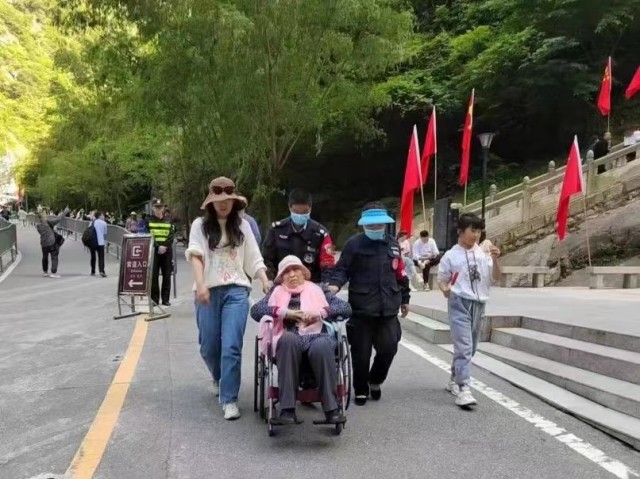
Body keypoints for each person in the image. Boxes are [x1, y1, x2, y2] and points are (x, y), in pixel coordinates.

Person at [186, 176, 271, 421]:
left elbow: (254, 257)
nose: (223, 204)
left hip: (236, 291)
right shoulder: (200, 226)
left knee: (231, 345)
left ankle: (230, 399)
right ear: (211, 202)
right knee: (209, 346)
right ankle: (218, 376)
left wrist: (264, 279)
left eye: (228, 200)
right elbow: (196, 255)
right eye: (218, 200)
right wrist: (201, 284)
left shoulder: (243, 226)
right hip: (208, 292)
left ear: (235, 202)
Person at [250, 255, 351, 425]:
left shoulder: (319, 289)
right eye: (286, 272)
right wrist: (284, 312)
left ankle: (332, 409)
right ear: (281, 277)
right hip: (288, 337)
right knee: (288, 340)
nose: (292, 274)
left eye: (296, 269)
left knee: (322, 345)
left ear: (304, 273)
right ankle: (287, 410)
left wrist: (320, 313)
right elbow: (256, 311)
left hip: (317, 335)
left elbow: (345, 308)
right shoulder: (276, 292)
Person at [328, 202, 410, 406]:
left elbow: (400, 274)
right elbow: (342, 269)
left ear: (385, 224)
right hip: (361, 308)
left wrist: (405, 298)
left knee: (389, 347)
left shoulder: (392, 244)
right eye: (371, 225)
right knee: (361, 354)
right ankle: (361, 389)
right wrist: (335, 285)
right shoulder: (353, 245)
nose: (375, 228)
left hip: (388, 308)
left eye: (379, 225)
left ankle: (375, 380)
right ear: (364, 225)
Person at [437, 213, 501, 408]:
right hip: (459, 303)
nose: (476, 235)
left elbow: (496, 277)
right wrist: (445, 290)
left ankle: (454, 379)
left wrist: (496, 259)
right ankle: (464, 389)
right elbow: (442, 279)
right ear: (460, 231)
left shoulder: (484, 254)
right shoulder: (451, 255)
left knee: (471, 348)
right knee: (464, 347)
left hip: (479, 304)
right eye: (472, 230)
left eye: (479, 231)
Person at [262, 188, 335, 284]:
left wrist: (327, 284)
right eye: (296, 212)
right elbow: (267, 259)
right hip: (283, 283)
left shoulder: (321, 233)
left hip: (311, 284)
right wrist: (269, 280)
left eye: (304, 212)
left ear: (310, 208)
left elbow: (328, 262)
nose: (300, 215)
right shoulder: (276, 230)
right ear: (289, 207)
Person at [145, 199, 174, 306]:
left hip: (167, 251)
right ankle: (155, 299)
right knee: (154, 276)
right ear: (153, 208)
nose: (158, 209)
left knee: (167, 276)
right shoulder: (148, 220)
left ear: (163, 208)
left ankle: (165, 299)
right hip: (154, 251)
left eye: (160, 207)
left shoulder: (169, 220)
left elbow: (171, 235)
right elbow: (148, 235)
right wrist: (158, 246)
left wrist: (164, 246)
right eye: (156, 207)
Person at [36, 208, 68, 278]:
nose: (46, 216)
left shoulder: (38, 226)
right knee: (54, 256)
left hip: (43, 243)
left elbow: (41, 233)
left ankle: (45, 272)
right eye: (45, 215)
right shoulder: (49, 222)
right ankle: (53, 272)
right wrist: (65, 212)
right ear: (43, 217)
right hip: (51, 242)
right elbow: (59, 219)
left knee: (45, 257)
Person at [90, 211, 108, 277]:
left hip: (92, 242)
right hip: (100, 242)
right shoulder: (104, 223)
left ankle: (93, 271)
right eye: (102, 215)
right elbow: (105, 233)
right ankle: (101, 271)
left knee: (93, 257)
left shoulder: (92, 222)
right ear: (100, 216)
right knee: (101, 257)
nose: (103, 216)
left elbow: (88, 231)